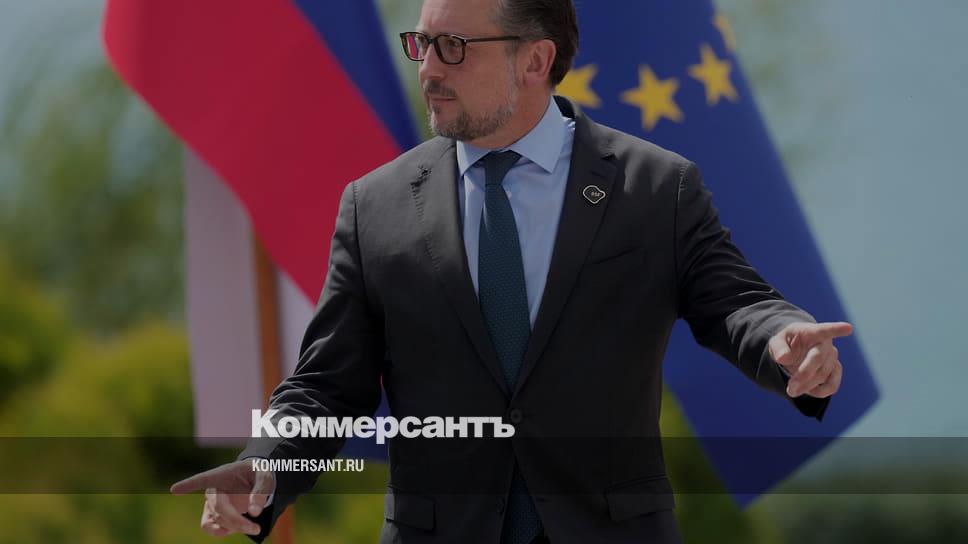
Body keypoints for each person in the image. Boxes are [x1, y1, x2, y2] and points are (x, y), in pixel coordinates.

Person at [171, 0, 851, 542]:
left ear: (535, 60)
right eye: (421, 44)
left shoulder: (654, 188)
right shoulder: (373, 206)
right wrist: (265, 465)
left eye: (453, 47)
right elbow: (326, 386)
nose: (428, 70)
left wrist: (782, 339)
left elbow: (736, 303)